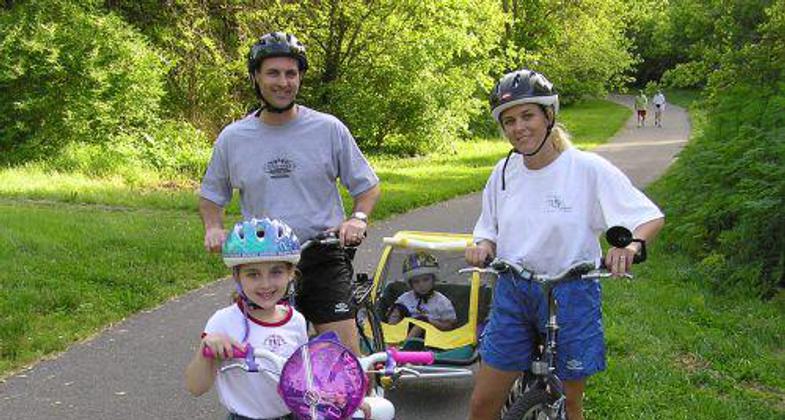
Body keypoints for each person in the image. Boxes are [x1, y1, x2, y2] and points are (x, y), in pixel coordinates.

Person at [464, 69, 665, 420]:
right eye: (509, 121)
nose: (518, 127)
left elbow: (649, 217)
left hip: (572, 292)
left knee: (570, 404)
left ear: (549, 115)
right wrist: (482, 245)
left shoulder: (586, 168)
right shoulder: (504, 172)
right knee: (482, 403)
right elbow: (488, 229)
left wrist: (629, 247)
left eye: (528, 115)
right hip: (514, 291)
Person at [199, 31, 381, 356]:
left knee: (343, 358)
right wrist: (213, 227)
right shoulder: (233, 138)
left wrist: (358, 218)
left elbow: (367, 186)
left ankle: (358, 404)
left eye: (291, 73)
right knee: (262, 356)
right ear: (256, 77)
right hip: (263, 261)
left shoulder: (327, 129)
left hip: (323, 252)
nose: (283, 82)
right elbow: (212, 195)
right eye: (273, 73)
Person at [185, 218, 308, 420]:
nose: (266, 284)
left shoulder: (296, 321)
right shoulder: (223, 321)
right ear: (237, 276)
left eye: (276, 272)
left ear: (290, 273)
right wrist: (206, 349)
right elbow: (196, 387)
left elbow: (303, 379)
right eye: (253, 274)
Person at [388, 252, 457, 339]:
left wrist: (428, 321)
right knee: (397, 309)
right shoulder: (405, 298)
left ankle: (405, 347)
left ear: (433, 279)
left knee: (421, 322)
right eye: (416, 282)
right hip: (404, 332)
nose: (421, 285)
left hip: (433, 336)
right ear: (411, 284)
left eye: (426, 280)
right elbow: (394, 316)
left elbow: (450, 326)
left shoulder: (442, 301)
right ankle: (389, 338)